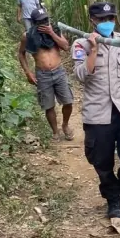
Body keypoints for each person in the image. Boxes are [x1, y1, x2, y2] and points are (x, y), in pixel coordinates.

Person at [72, 2, 120, 219]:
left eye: (110, 18)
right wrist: (94, 49)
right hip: (98, 112)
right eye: (101, 19)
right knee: (101, 161)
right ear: (92, 20)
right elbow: (82, 75)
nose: (106, 23)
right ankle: (112, 199)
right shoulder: (81, 43)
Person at [18, 7, 75, 141]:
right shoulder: (28, 36)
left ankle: (65, 125)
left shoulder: (54, 31)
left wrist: (52, 33)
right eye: (40, 21)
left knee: (68, 101)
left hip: (59, 72)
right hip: (42, 74)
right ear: (34, 22)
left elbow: (66, 47)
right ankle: (55, 132)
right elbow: (21, 54)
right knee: (48, 105)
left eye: (45, 20)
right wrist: (28, 72)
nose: (44, 23)